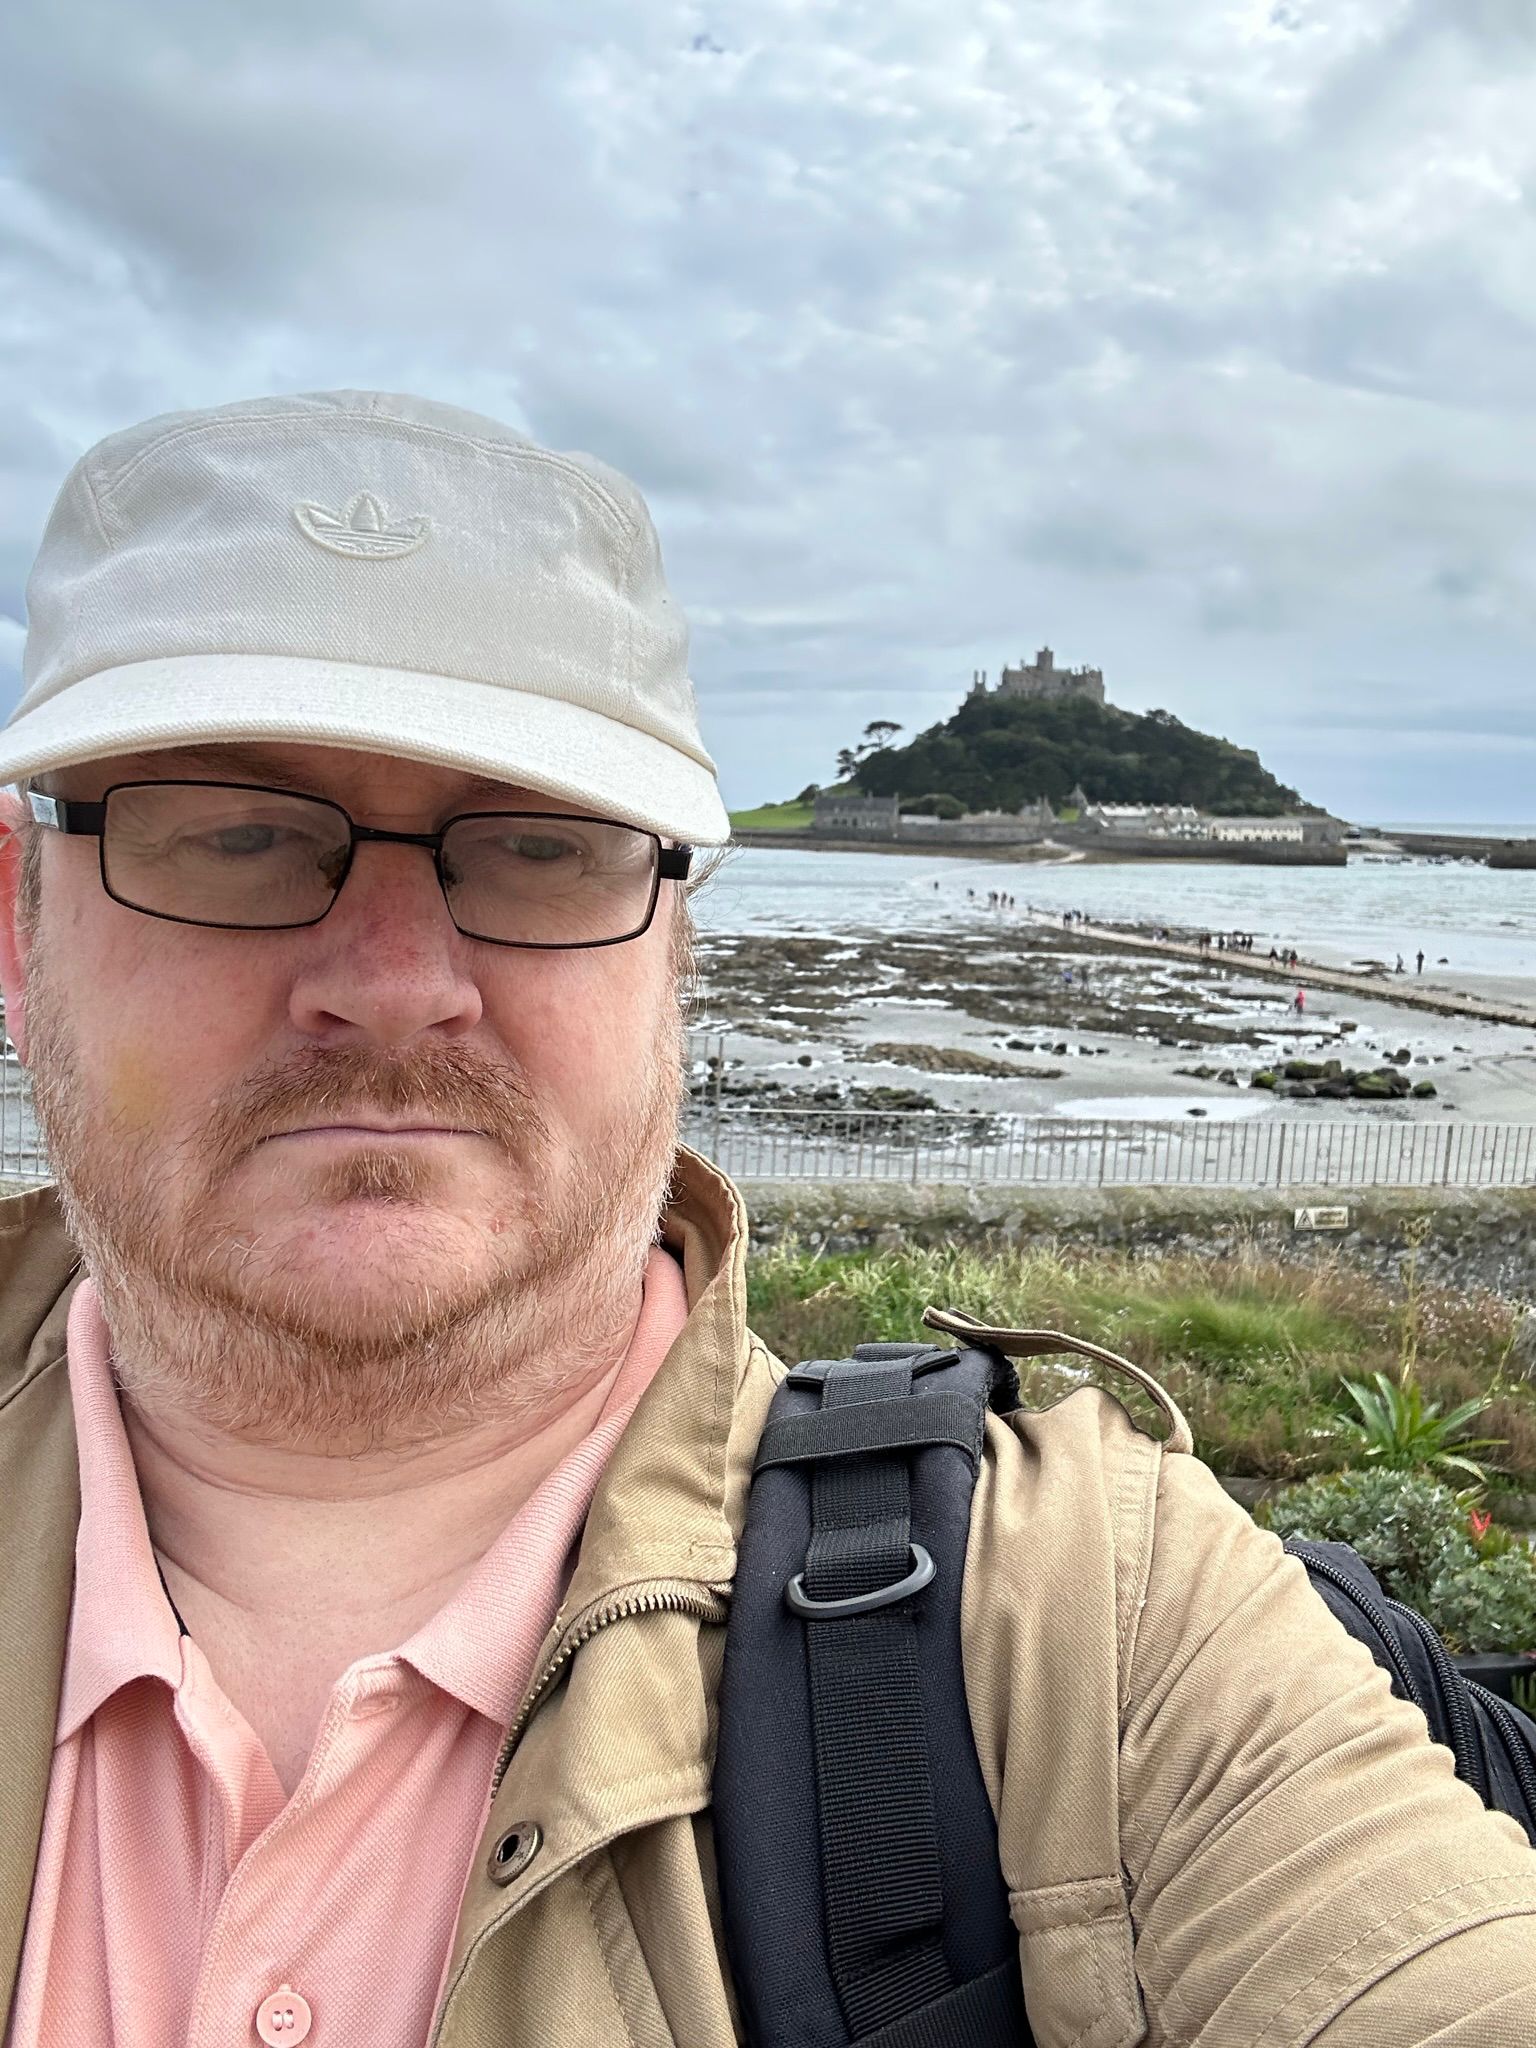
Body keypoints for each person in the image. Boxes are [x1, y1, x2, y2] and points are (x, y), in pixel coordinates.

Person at [0, 392, 1530, 2048]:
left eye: (537, 848)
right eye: (234, 833)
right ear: (18, 936)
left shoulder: (1092, 1621)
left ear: (677, 960)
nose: (394, 986)